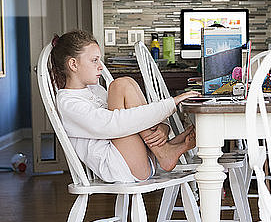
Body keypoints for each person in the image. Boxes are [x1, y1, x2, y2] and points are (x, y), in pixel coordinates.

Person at [50, 30, 199, 183]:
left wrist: (163, 126)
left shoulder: (95, 90)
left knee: (126, 83)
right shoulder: (68, 103)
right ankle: (165, 150)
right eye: (94, 60)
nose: (101, 66)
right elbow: (116, 124)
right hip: (120, 167)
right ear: (73, 64)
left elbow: (132, 119)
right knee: (119, 86)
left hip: (142, 158)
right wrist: (171, 103)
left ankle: (164, 149)